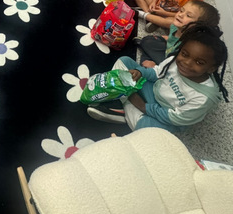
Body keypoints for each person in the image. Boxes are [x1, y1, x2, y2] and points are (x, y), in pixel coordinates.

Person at [85, 24, 228, 134]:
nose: (187, 63)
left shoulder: (204, 98)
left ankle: (123, 106)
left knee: (149, 132)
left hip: (165, 115)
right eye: (184, 54)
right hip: (153, 91)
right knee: (125, 61)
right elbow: (157, 72)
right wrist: (140, 72)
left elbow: (176, 118)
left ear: (211, 69)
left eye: (199, 62)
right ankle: (127, 107)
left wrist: (143, 106)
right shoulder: (174, 59)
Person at [138, 0, 220, 67]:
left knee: (148, 52)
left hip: (173, 62)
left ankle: (153, 68)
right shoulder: (175, 26)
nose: (180, 15)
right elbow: (171, 38)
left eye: (188, 15)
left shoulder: (188, 45)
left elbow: (178, 67)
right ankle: (149, 62)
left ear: (200, 26)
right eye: (181, 10)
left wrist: (155, 67)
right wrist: (167, 38)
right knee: (147, 40)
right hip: (168, 51)